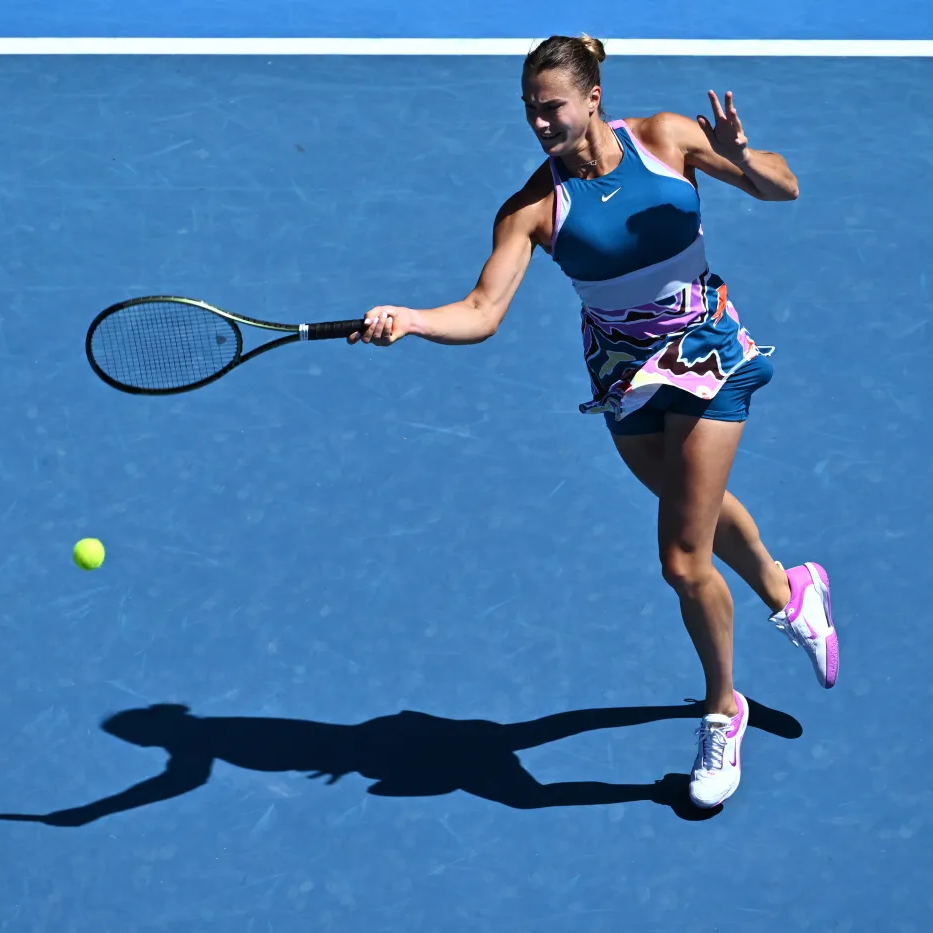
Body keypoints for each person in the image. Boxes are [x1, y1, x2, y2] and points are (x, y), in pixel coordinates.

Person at [347, 34, 837, 809]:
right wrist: (410, 318)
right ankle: (789, 589)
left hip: (708, 351)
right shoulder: (532, 207)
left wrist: (741, 157)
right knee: (695, 512)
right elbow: (481, 312)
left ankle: (722, 707)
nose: (540, 124)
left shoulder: (670, 139)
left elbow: (786, 190)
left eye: (552, 108)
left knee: (682, 558)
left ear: (593, 98)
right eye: (529, 113)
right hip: (622, 372)